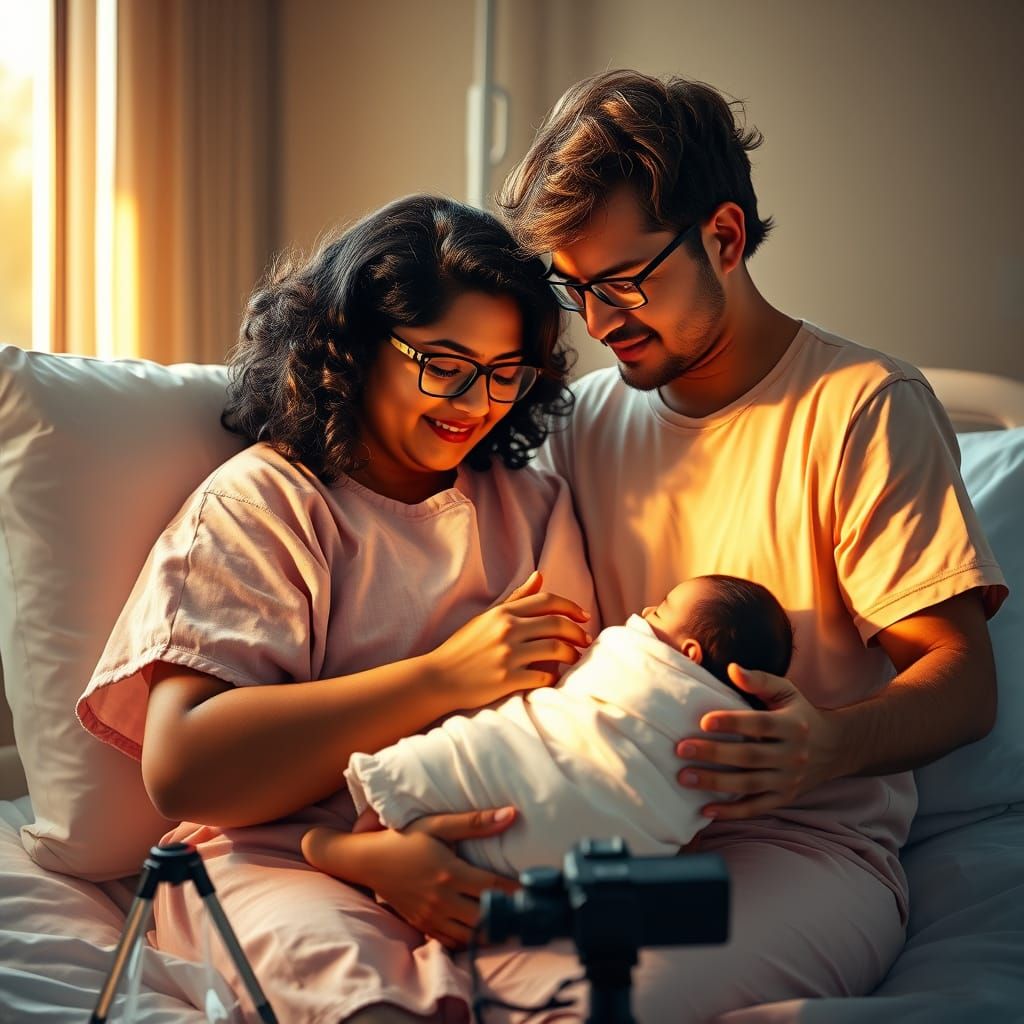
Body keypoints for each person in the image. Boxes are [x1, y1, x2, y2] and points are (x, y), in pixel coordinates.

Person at [474, 68, 1008, 1021]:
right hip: (599, 826)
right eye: (577, 289)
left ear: (722, 237)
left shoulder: (860, 409)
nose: (599, 324)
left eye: (627, 282)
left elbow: (964, 681)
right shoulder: (582, 423)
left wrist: (825, 745)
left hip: (803, 846)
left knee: (593, 1005)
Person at [76, 194, 604, 1023]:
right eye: (444, 362)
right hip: (275, 860)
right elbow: (185, 767)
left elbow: (573, 718)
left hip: (482, 841)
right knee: (368, 1004)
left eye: (507, 375)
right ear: (355, 344)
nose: (475, 401)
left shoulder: (532, 507)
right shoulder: (267, 505)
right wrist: (439, 680)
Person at [303, 574, 791, 878]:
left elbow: (588, 677)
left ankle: (344, 844)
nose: (643, 614)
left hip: (523, 765)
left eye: (660, 610)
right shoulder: (737, 736)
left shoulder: (637, 656)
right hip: (590, 856)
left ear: (688, 654)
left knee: (463, 753)